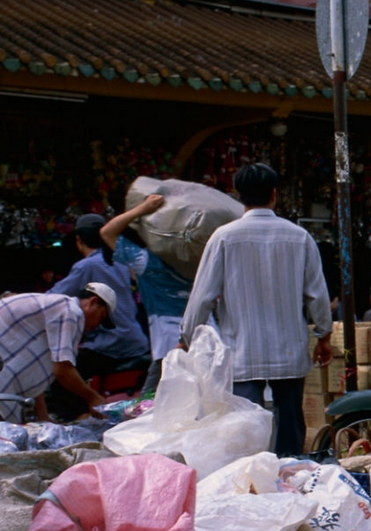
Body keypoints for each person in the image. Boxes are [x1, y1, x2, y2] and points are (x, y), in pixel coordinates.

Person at [180, 162, 332, 457]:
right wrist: (324, 335)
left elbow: (202, 298)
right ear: (275, 194)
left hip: (241, 351)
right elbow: (317, 294)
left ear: (240, 195)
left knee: (245, 427)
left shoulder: (224, 237)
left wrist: (187, 337)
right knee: (290, 423)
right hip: (289, 350)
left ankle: (251, 480)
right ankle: (291, 472)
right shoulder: (298, 237)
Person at [99, 193, 192, 392]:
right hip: (204, 337)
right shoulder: (195, 259)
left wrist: (142, 209)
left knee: (151, 403)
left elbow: (108, 232)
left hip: (169, 344)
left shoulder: (149, 263)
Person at [50, 213, 150, 384]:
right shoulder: (121, 262)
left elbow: (52, 299)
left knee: (60, 372)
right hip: (136, 339)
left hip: (111, 343)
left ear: (79, 239)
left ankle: (77, 410)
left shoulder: (86, 266)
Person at [0, 284, 114, 421]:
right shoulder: (71, 311)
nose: (97, 325)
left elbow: (36, 369)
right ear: (93, 302)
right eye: (101, 318)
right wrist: (94, 398)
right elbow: (62, 370)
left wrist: (43, 416)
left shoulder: (57, 308)